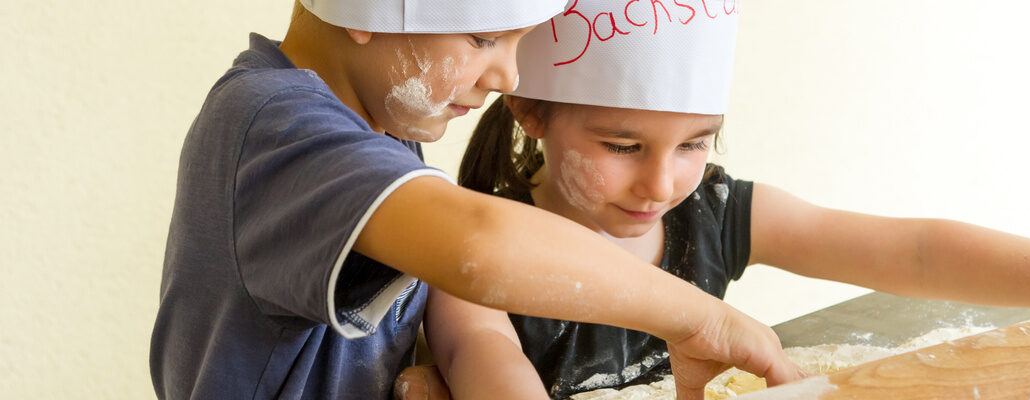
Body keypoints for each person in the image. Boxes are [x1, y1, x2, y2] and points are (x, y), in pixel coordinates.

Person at [425, 0, 1030, 398]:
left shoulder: (716, 217)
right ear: (531, 112)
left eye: (696, 143)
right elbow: (485, 360)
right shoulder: (481, 258)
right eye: (621, 147)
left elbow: (922, 252)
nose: (661, 185)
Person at [149, 1, 803, 399]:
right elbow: (479, 247)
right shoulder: (274, 121)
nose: (509, 77)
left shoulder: (379, 131)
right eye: (485, 39)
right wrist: (698, 319)